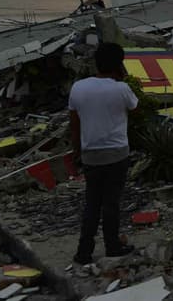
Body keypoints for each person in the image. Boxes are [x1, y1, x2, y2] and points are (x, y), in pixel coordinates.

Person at [69, 42, 138, 264]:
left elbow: (74, 124)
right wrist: (122, 78)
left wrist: (76, 152)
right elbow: (133, 107)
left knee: (92, 203)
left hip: (90, 153)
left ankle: (84, 251)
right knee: (111, 203)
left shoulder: (78, 87)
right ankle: (112, 245)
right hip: (117, 153)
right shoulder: (121, 89)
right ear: (119, 64)